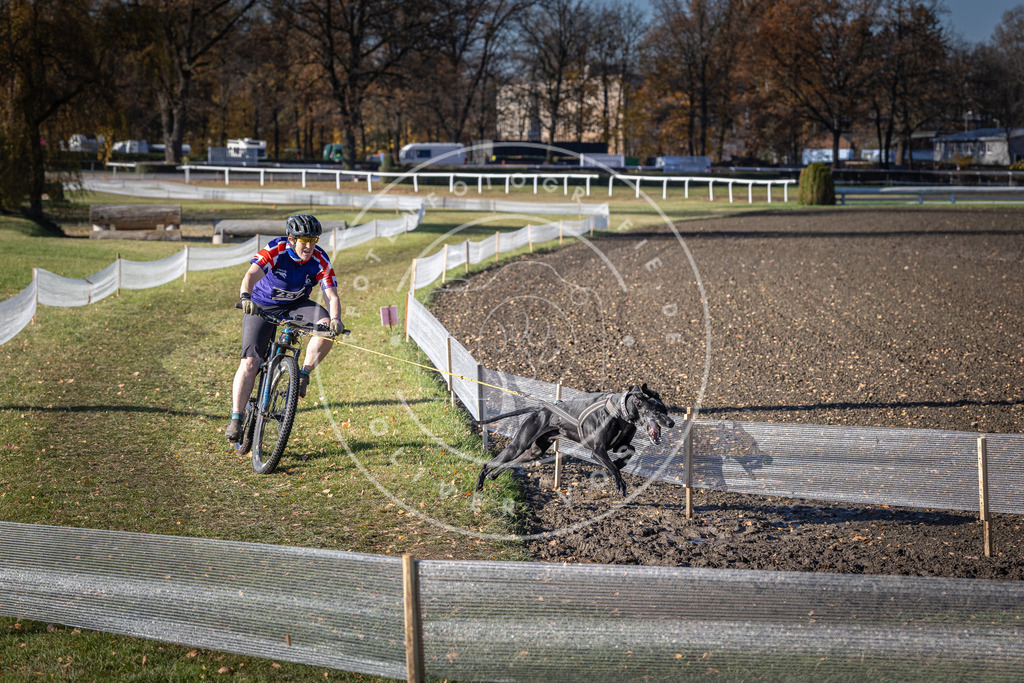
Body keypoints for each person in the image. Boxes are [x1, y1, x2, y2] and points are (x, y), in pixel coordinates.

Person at [225, 214, 344, 441]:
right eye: (304, 240)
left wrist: (336, 320)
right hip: (262, 304)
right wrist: (245, 297)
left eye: (313, 240)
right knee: (250, 362)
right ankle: (236, 417)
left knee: (326, 327)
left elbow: (332, 295)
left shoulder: (319, 258)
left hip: (297, 305)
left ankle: (303, 374)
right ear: (291, 239)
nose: (309, 246)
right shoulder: (276, 249)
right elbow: (251, 275)